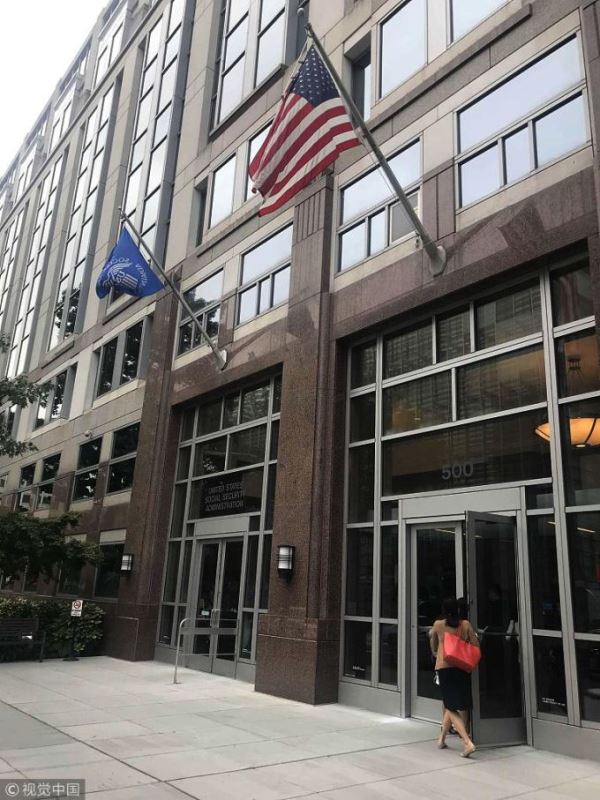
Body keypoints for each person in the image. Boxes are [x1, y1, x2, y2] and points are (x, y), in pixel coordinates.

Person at [430, 596, 479, 757]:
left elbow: (434, 645)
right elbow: (475, 645)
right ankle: (442, 739)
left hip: (444, 668)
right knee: (451, 702)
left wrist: (438, 653)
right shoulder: (465, 625)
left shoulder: (438, 625)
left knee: (450, 707)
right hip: (462, 668)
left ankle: (467, 742)